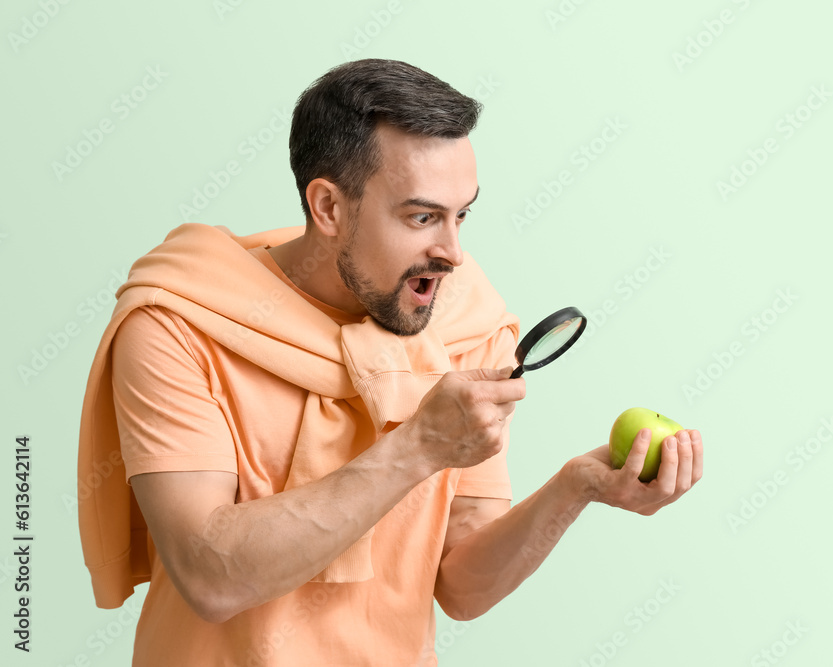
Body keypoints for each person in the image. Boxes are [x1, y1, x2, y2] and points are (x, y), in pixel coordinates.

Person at [77, 58, 704, 666]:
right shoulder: (181, 323)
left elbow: (461, 586)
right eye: (422, 216)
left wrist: (576, 488)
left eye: (462, 215)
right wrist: (419, 447)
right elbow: (208, 576)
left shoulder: (465, 327)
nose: (453, 253)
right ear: (327, 207)